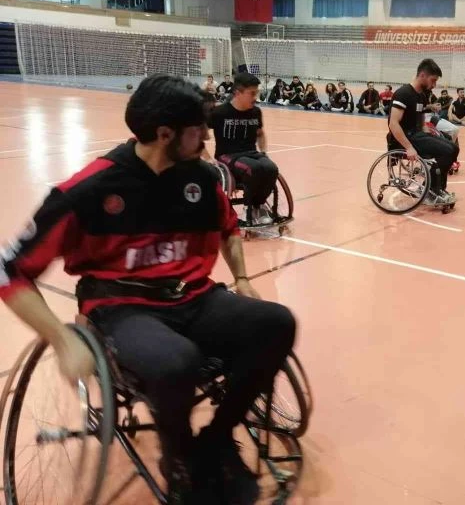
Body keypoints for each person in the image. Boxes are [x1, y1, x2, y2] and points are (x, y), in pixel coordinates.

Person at [0, 73, 296, 504]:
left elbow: (229, 228)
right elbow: (10, 270)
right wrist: (61, 339)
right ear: (165, 134)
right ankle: (178, 458)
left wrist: (244, 278)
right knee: (177, 361)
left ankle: (214, 440)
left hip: (193, 296)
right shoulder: (90, 189)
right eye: (198, 129)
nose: (206, 136)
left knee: (276, 323)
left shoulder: (202, 179)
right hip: (121, 307)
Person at [209, 73, 281, 223]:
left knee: (271, 168)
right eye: (252, 93)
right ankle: (248, 209)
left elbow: (260, 134)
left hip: (251, 153)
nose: (255, 97)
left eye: (257, 93)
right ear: (238, 93)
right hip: (227, 155)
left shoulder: (255, 112)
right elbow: (198, 131)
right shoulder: (220, 112)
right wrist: (207, 158)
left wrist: (264, 152)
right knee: (253, 168)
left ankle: (257, 206)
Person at [388, 59, 459, 205]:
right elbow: (393, 124)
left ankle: (437, 189)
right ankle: (430, 191)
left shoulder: (420, 95)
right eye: (433, 80)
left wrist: (427, 131)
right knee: (446, 151)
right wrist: (408, 147)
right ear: (422, 75)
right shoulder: (403, 93)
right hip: (404, 139)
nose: (434, 85)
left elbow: (419, 117)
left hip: (417, 135)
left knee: (453, 148)